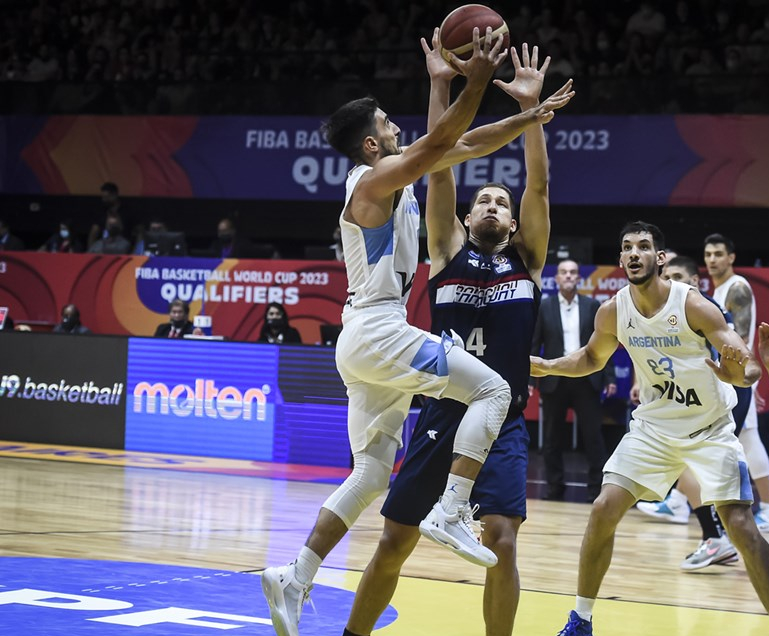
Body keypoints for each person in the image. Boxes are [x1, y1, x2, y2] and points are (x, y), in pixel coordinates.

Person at [261, 27, 574, 636]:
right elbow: (437, 146)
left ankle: (296, 575)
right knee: (493, 390)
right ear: (373, 143)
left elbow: (455, 143)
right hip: (380, 331)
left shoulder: (407, 182)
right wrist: (473, 80)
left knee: (372, 471)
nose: (398, 129)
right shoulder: (369, 182)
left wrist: (526, 113)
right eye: (388, 124)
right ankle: (451, 513)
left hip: (368, 339)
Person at [532, 221, 769, 635]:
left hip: (709, 428)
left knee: (742, 528)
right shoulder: (614, 310)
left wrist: (745, 371)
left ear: (660, 258)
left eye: (644, 246)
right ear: (622, 258)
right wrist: (548, 365)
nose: (634, 253)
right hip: (654, 430)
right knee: (604, 508)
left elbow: (745, 366)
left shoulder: (693, 304)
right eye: (627, 247)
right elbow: (591, 358)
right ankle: (580, 620)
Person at [636, 255, 748, 569]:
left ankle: (718, 536)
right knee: (687, 470)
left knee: (699, 471)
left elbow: (735, 359)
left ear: (695, 282)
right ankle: (712, 535)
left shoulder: (704, 309)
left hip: (720, 401)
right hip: (688, 405)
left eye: (676, 276)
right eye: (666, 276)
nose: (668, 282)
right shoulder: (663, 309)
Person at [531, 258, 616, 502]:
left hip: (587, 377)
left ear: (579, 278)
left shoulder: (592, 306)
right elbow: (535, 344)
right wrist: (528, 380)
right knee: (551, 438)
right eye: (563, 273)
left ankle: (595, 490)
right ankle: (554, 488)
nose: (568, 276)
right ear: (556, 278)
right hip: (553, 379)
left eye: (573, 273)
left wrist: (609, 376)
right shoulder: (544, 307)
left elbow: (605, 345)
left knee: (593, 437)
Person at [705, 233, 769, 531]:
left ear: (731, 257)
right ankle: (765, 509)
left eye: (718, 253)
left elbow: (739, 340)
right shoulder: (717, 292)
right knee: (749, 443)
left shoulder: (737, 288)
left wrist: (742, 382)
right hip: (733, 379)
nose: (712, 259)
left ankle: (689, 504)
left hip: (736, 379)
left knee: (726, 444)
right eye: (708, 254)